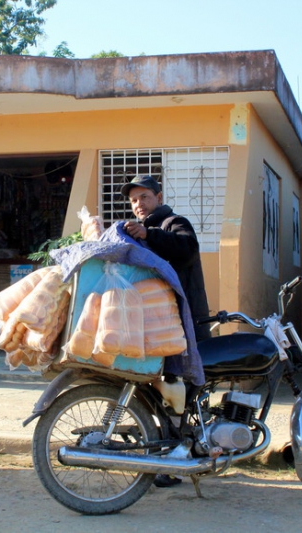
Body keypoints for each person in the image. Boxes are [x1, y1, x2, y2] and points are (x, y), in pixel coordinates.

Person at [121, 175, 211, 488]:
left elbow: (187, 250)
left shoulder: (174, 223)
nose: (138, 204)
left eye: (144, 197)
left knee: (185, 393)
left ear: (158, 197)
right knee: (163, 394)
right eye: (133, 200)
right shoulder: (135, 232)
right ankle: (170, 456)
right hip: (156, 328)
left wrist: (149, 233)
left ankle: (184, 457)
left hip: (186, 324)